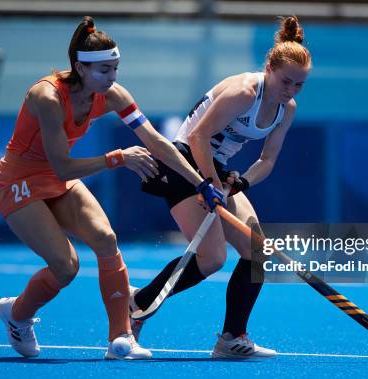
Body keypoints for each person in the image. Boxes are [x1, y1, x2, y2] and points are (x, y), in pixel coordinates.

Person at [0, 16, 223, 360]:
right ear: (79, 68)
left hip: (59, 181)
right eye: (103, 71)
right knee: (66, 267)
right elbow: (62, 165)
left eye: (115, 68)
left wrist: (200, 182)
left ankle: (122, 339)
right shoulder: (47, 97)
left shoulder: (112, 95)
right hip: (19, 183)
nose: (112, 77)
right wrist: (117, 158)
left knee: (106, 239)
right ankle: (17, 315)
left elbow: (157, 142)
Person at [130, 15, 312, 358]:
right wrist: (209, 183)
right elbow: (198, 136)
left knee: (256, 251)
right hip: (182, 162)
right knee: (211, 259)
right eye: (286, 81)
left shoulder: (287, 109)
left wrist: (241, 181)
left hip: (218, 170)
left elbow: (267, 161)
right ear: (269, 68)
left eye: (299, 85)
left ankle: (231, 338)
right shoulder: (244, 93)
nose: (290, 91)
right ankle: (137, 305)